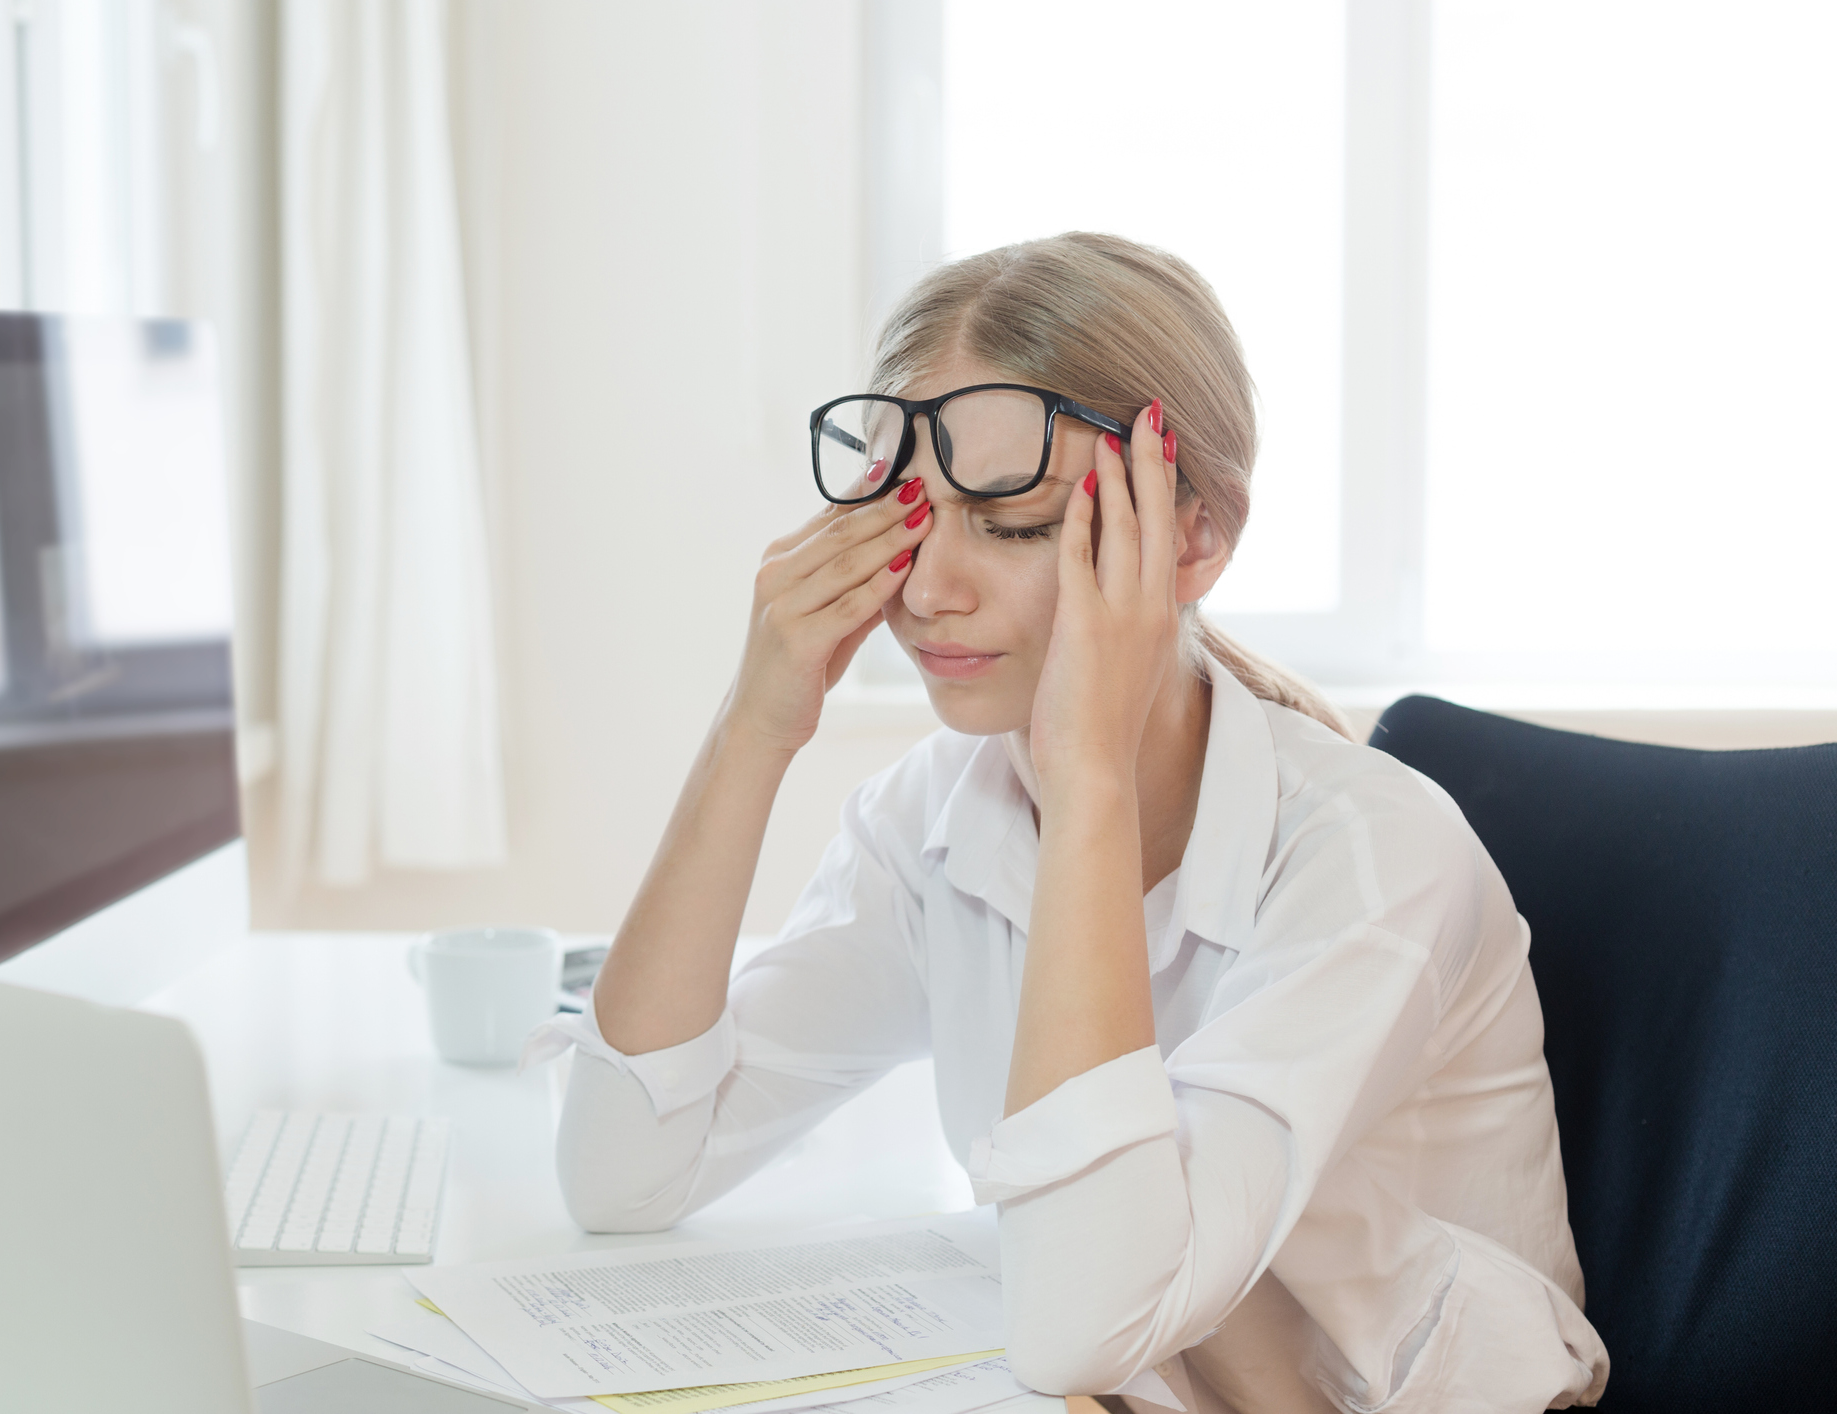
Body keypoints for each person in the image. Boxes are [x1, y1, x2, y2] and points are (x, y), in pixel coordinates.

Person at [531, 233, 1608, 1413]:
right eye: (910, 517)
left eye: (1016, 524)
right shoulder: (939, 816)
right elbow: (620, 1169)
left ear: (1190, 537)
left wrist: (1085, 764)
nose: (931, 587)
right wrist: (752, 727)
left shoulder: (1372, 859)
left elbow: (1081, 1326)